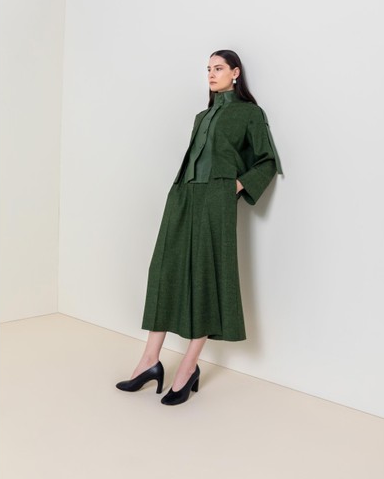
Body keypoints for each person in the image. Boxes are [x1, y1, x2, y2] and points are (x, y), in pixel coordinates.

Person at [116, 49, 283, 405]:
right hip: (182, 195)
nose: (211, 73)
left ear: (235, 73)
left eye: (218, 68)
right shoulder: (202, 116)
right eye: (208, 68)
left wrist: (234, 187)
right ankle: (149, 360)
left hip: (215, 199)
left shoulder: (249, 114)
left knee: (206, 276)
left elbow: (267, 161)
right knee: (165, 270)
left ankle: (188, 366)